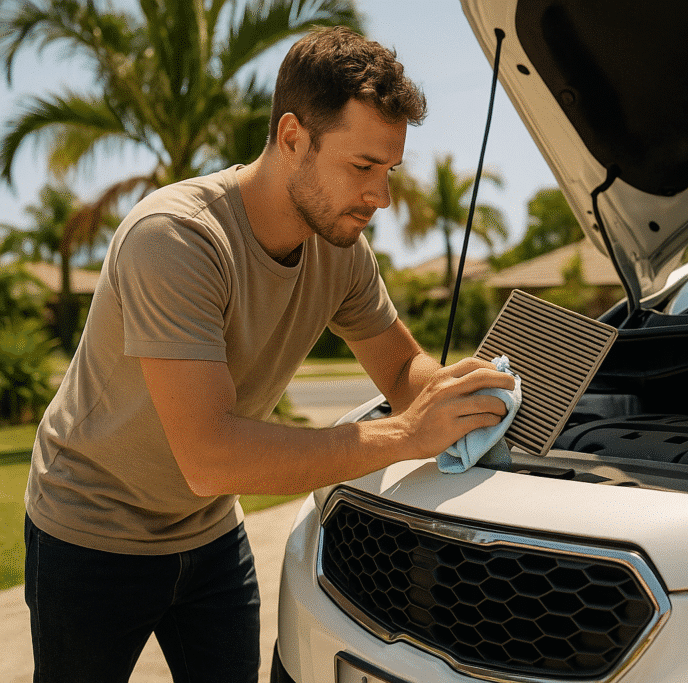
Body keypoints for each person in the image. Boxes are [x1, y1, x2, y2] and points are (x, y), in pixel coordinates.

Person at [23, 26, 515, 683]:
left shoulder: (341, 249)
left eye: (389, 170)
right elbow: (211, 454)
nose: (381, 197)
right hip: (89, 532)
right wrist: (405, 433)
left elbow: (401, 370)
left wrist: (461, 392)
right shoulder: (176, 239)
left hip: (207, 531)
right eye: (363, 167)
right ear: (292, 137)